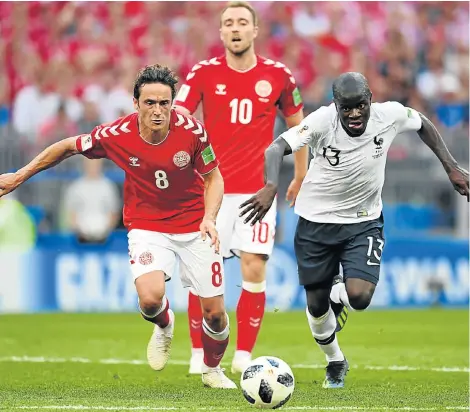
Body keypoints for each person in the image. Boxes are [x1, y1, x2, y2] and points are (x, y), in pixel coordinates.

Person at [0, 64, 237, 389]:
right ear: (136, 104)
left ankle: (212, 369)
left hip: (195, 223)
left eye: (164, 103)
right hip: (147, 224)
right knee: (151, 300)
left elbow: (214, 177)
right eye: (150, 103)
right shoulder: (116, 134)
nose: (158, 110)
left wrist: (210, 217)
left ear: (173, 103)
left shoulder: (192, 130)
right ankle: (165, 325)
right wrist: (20, 174)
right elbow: (67, 146)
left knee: (215, 315)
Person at [239, 72, 469, 388]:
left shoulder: (389, 115)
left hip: (363, 222)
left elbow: (424, 125)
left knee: (359, 297)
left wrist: (451, 167)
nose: (354, 114)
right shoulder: (321, 121)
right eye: (346, 108)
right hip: (315, 223)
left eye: (360, 106)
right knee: (317, 310)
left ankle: (339, 291)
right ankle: (335, 361)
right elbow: (275, 149)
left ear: (370, 101)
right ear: (336, 106)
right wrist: (270, 185)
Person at [173, 0, 309, 374]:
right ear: (221, 33)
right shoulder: (203, 72)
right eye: (228, 22)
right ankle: (199, 353)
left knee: (254, 266)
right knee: (204, 274)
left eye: (242, 22)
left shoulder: (278, 75)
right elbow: (180, 115)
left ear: (254, 30)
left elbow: (300, 128)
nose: (235, 28)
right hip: (210, 191)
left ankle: (244, 355)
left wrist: (300, 175)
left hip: (256, 192)